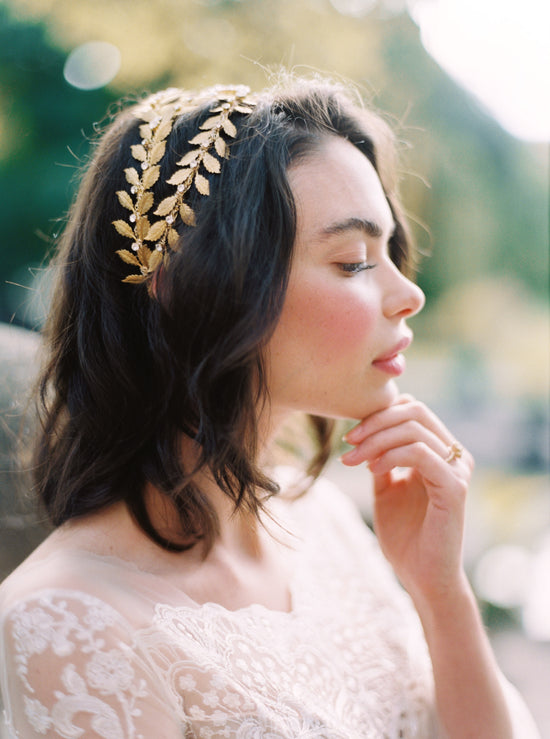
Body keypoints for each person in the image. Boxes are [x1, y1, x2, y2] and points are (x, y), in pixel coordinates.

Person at [0, 77, 540, 738]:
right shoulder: (69, 624)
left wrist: (440, 589)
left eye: (390, 253)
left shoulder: (327, 524)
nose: (409, 294)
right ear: (190, 285)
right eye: (352, 261)